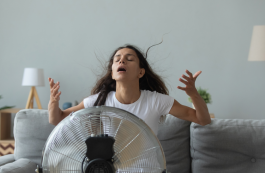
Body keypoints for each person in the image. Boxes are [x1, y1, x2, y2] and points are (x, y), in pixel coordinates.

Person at [48, 44, 211, 135]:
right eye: (117, 59)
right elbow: (57, 119)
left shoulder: (156, 101)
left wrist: (193, 94)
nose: (122, 61)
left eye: (129, 59)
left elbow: (203, 119)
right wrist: (53, 103)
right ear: (112, 72)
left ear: (141, 72)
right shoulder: (99, 101)